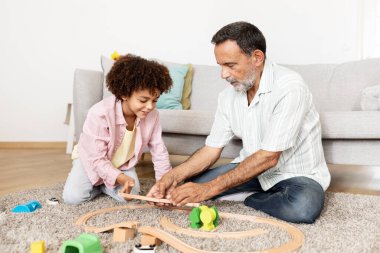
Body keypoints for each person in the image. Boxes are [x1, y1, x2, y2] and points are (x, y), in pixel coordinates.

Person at [147, 21, 331, 224]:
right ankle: (245, 191)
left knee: (303, 209)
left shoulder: (290, 87)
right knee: (187, 187)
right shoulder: (227, 96)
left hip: (296, 175)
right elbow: (211, 149)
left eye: (230, 65)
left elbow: (269, 157)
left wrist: (210, 189)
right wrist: (172, 177)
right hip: (250, 171)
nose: (223, 74)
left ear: (257, 58)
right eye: (221, 66)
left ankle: (251, 198)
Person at [63, 54, 173, 205]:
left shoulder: (152, 115)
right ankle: (101, 183)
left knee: (131, 196)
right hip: (91, 161)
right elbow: (96, 159)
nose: (150, 107)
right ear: (124, 94)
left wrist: (163, 185)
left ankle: (104, 184)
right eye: (143, 100)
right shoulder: (99, 113)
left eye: (155, 100)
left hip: (122, 165)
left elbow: (159, 152)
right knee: (73, 198)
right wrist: (120, 178)